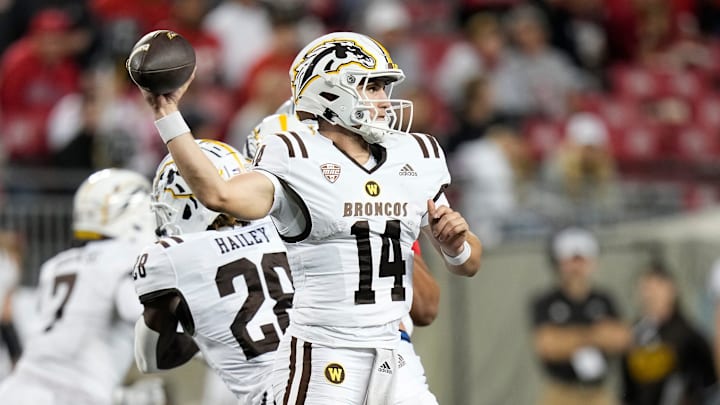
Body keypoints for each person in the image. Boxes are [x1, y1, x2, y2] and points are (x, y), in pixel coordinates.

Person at [134, 31, 482, 404]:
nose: (385, 100)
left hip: (394, 355)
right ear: (330, 91)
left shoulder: (414, 155)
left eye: (384, 87)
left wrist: (456, 245)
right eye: (372, 86)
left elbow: (468, 264)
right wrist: (167, 114)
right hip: (325, 356)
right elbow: (218, 194)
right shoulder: (294, 156)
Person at [133, 139, 294, 404]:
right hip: (334, 380)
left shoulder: (173, 258)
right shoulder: (285, 230)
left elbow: (150, 359)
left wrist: (208, 332)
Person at [0, 168, 155, 405]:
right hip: (77, 391)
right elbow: (136, 311)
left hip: (20, 386)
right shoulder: (127, 256)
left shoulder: (56, 264)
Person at [530, 227, 631, 405]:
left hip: (598, 393)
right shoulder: (546, 301)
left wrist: (568, 338)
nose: (576, 268)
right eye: (571, 261)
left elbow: (622, 338)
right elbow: (547, 345)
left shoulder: (604, 299)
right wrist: (596, 335)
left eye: (581, 260)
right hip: (561, 392)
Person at [623, 261, 716, 405]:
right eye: (646, 287)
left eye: (657, 287)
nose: (651, 294)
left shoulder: (688, 335)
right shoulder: (634, 333)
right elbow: (628, 385)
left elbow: (708, 382)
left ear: (672, 290)